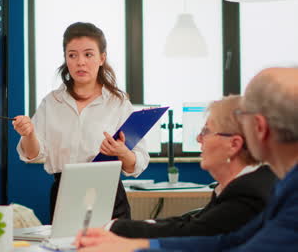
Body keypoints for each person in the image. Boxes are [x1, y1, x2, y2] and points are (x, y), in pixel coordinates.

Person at [76, 67, 298, 252]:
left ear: (259, 127)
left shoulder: (276, 189)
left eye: (244, 115)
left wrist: (132, 245)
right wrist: (135, 245)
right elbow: (230, 241)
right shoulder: (285, 184)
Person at [12, 22, 150, 221]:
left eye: (88, 54)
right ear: (66, 59)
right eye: (72, 55)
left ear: (102, 58)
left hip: (109, 195)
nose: (80, 62)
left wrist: (122, 152)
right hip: (65, 193)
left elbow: (136, 164)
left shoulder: (118, 103)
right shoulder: (52, 102)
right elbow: (32, 154)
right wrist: (28, 134)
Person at [109, 95, 277, 239]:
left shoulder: (248, 193)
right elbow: (191, 224)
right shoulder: (243, 184)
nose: (198, 138)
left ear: (234, 144)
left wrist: (115, 229)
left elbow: (195, 232)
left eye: (206, 131)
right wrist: (120, 228)